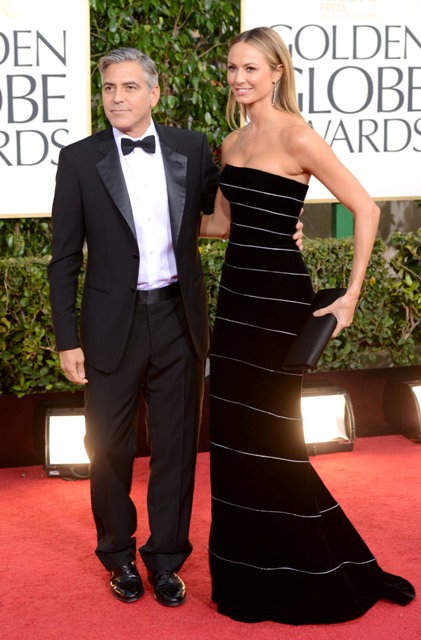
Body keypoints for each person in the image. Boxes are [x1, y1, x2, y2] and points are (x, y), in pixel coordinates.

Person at [47, 44, 305, 607]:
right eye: (109, 88)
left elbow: (227, 213)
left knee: (177, 447)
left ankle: (166, 560)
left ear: (154, 93)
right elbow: (63, 257)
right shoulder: (78, 159)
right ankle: (117, 555)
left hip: (178, 319)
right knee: (107, 448)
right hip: (109, 325)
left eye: (129, 87)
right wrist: (67, 339)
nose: (117, 98)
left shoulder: (190, 148)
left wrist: (284, 224)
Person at [199, 27, 415, 625]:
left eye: (250, 68)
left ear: (277, 72)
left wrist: (350, 297)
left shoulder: (299, 136)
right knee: (234, 438)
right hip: (235, 302)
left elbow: (365, 207)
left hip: (278, 305)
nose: (238, 79)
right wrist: (150, 221)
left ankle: (306, 575)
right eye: (232, 69)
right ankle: (249, 578)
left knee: (275, 439)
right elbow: (222, 225)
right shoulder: (232, 141)